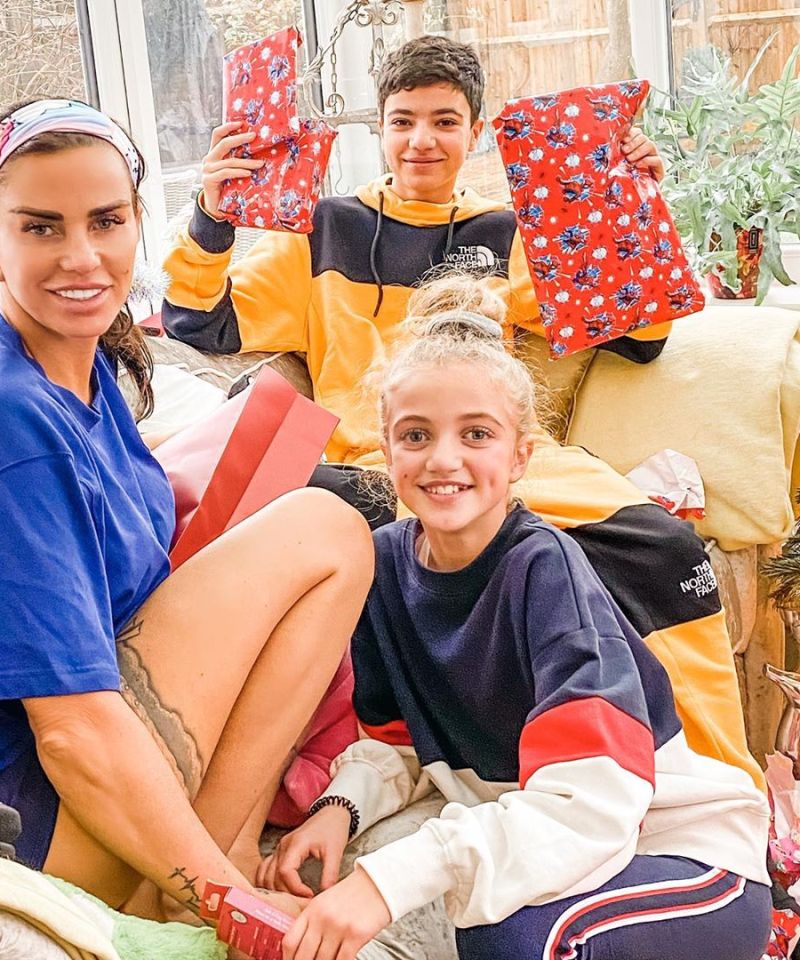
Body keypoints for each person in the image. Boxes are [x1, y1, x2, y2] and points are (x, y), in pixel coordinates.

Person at [161, 35, 762, 791]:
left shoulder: (512, 234)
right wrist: (212, 218)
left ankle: (718, 785)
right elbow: (197, 322)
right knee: (312, 502)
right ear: (379, 128)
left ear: (474, 132)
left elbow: (641, 337)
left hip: (500, 457)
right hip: (379, 465)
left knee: (664, 547)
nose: (421, 140)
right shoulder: (324, 231)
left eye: (444, 121)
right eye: (403, 119)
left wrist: (630, 201)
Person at [0, 98, 374, 918]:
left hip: (39, 761)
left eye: (104, 221)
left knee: (326, 523)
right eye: (42, 228)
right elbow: (72, 733)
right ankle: (199, 872)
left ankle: (220, 839)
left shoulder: (73, 365)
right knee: (332, 532)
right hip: (16, 813)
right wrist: (230, 903)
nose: (83, 257)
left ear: (137, 222)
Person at [258, 275, 771, 960]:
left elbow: (594, 800)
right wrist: (340, 807)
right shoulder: (380, 564)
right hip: (568, 849)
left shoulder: (545, 567)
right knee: (484, 919)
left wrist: (388, 881)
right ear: (385, 448)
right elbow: (402, 741)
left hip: (677, 848)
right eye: (416, 434)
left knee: (522, 939)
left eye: (477, 434)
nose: (444, 460)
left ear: (521, 454)